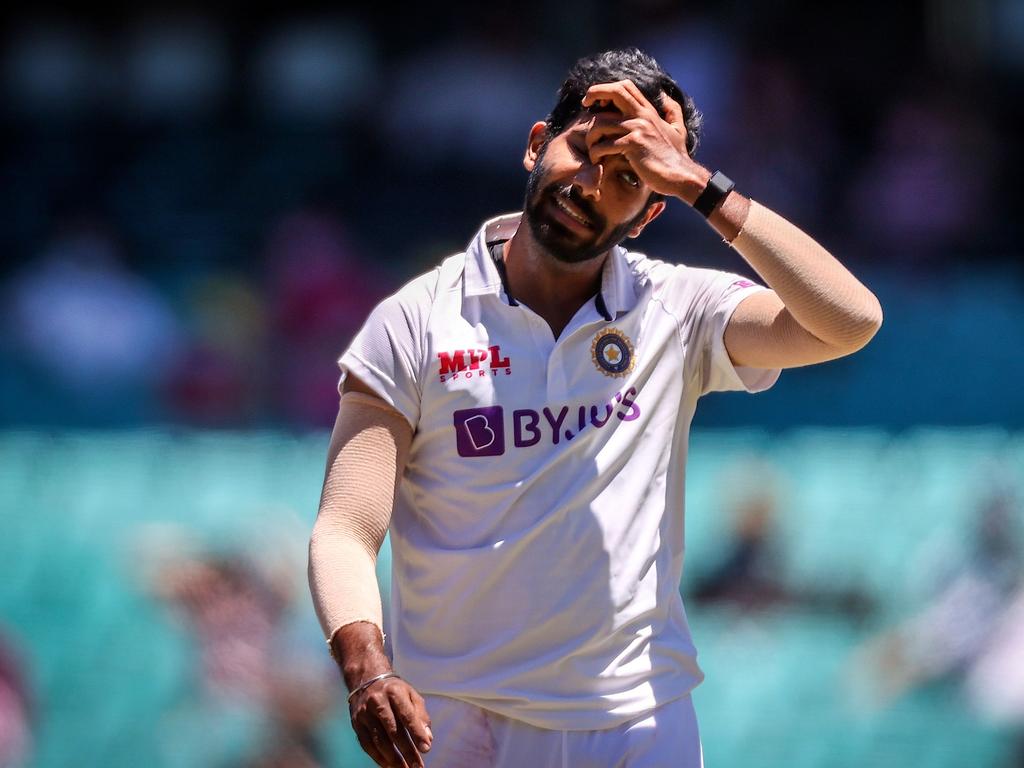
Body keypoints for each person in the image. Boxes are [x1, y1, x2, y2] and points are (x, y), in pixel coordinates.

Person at [308, 48, 882, 768]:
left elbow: (850, 321)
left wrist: (705, 187)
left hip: (638, 724)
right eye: (584, 148)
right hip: (456, 723)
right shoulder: (416, 320)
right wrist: (368, 666)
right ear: (535, 145)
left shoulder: (678, 309)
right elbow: (346, 527)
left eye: (629, 176)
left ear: (648, 214)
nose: (589, 184)